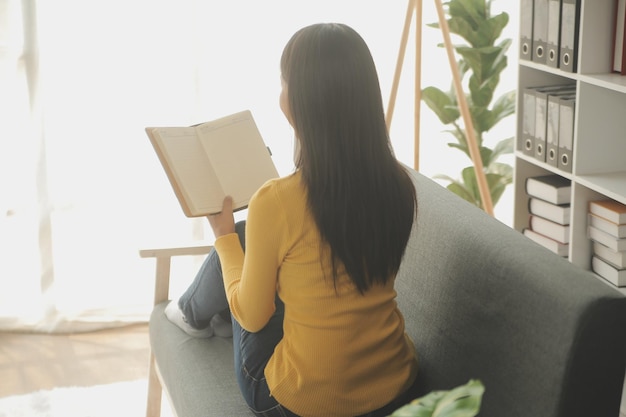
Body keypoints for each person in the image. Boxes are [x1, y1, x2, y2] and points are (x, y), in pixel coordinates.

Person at [165, 22, 419, 417]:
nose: (280, 92)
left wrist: (224, 237)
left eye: (284, 81)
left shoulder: (277, 200)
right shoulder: (399, 184)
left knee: (241, 238)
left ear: (301, 100)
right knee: (263, 244)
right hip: (394, 384)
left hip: (300, 401)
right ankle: (198, 310)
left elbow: (252, 316)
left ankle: (192, 312)